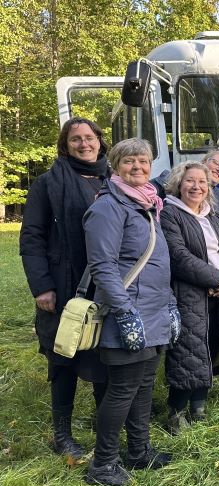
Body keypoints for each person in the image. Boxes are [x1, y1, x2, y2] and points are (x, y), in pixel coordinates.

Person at [83, 138, 178, 486]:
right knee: (123, 389)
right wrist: (124, 312)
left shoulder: (147, 204)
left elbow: (158, 264)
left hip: (153, 312)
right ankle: (103, 465)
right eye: (129, 161)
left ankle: (139, 451)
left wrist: (170, 304)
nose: (137, 167)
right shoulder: (109, 207)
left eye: (143, 161)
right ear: (115, 165)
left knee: (143, 386)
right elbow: (103, 266)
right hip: (127, 314)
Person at [20, 117, 110, 459]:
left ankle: (105, 423)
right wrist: (42, 286)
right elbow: (32, 237)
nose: (84, 144)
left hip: (106, 283)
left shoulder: (114, 179)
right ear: (65, 145)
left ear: (100, 141)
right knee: (64, 355)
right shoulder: (48, 183)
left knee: (106, 350)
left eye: (89, 137)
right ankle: (62, 434)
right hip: (63, 282)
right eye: (76, 139)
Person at [160, 161, 219, 432]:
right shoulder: (170, 213)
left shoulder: (215, 215)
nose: (196, 186)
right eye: (190, 181)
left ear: (209, 187)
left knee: (210, 347)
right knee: (187, 352)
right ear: (178, 184)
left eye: (202, 182)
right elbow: (178, 256)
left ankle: (198, 407)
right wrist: (217, 279)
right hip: (188, 295)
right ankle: (175, 412)